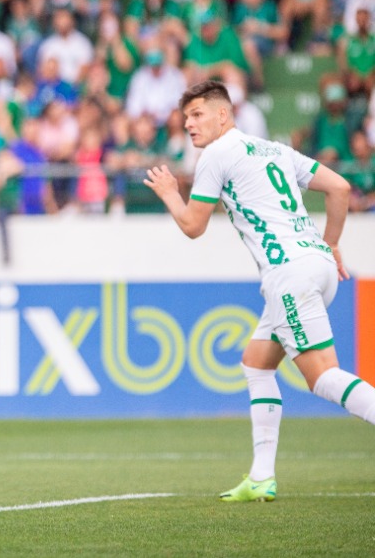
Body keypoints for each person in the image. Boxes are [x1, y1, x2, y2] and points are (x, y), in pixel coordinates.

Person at [144, 80, 373, 503]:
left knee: (321, 376)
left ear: (223, 115)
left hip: (288, 273)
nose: (189, 125)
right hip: (315, 264)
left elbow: (194, 226)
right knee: (257, 362)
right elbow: (340, 188)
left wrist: (169, 195)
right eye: (185, 118)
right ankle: (261, 476)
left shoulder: (215, 155)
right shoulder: (273, 149)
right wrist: (334, 243)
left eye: (197, 115)